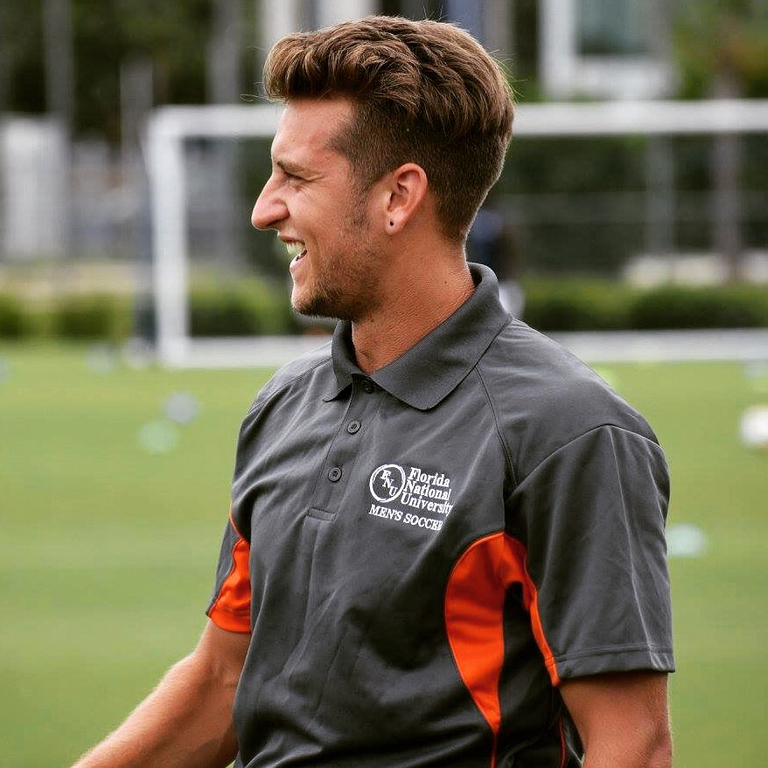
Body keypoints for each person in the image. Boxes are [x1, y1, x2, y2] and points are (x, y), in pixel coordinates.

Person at [71, 15, 674, 768]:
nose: (264, 208)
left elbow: (632, 743)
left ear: (398, 197)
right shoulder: (283, 404)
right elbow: (224, 679)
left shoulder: (570, 432)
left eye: (295, 178)